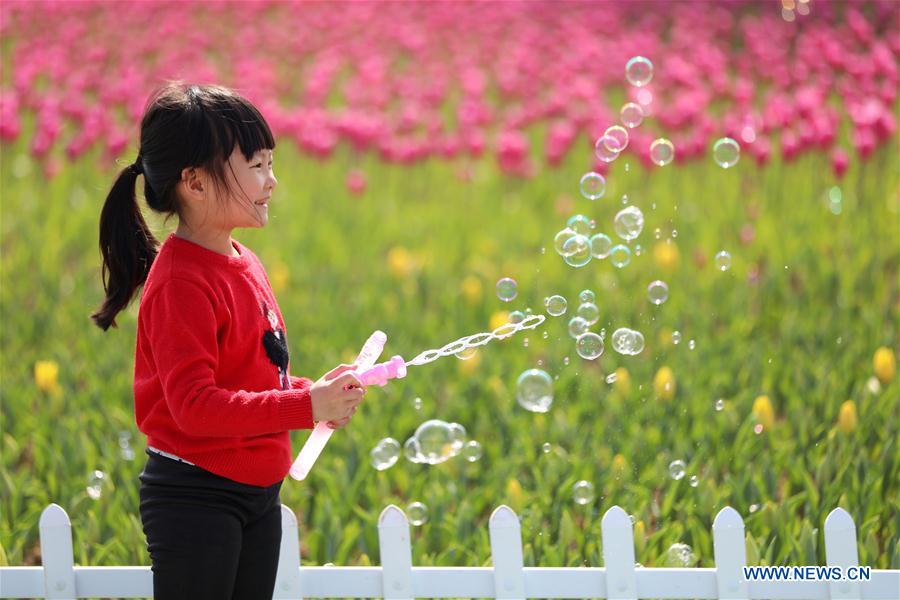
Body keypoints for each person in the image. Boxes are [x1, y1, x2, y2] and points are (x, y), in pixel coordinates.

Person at [90, 82, 366, 600]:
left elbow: (252, 379)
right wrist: (304, 405)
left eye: (270, 163)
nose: (271, 180)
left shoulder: (244, 261)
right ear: (195, 182)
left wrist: (312, 393)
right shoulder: (180, 282)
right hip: (197, 496)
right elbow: (196, 407)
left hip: (258, 491)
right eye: (256, 166)